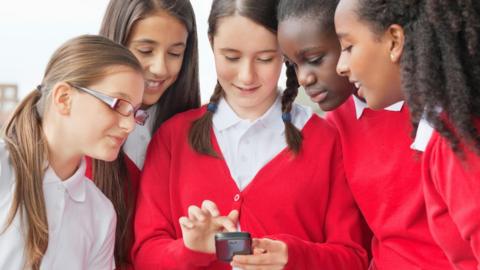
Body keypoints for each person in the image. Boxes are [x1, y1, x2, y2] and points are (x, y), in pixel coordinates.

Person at [132, 0, 369, 269]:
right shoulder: (171, 139)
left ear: (285, 52)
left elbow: (354, 257)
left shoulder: (328, 141)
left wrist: (292, 257)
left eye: (265, 58)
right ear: (211, 44)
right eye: (231, 57)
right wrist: (191, 249)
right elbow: (145, 255)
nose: (247, 76)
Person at [276, 0, 452, 269]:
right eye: (292, 65)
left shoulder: (444, 113)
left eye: (315, 60)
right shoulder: (334, 126)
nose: (303, 79)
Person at [334, 0, 480, 268]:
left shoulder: (457, 141)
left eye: (348, 47)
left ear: (394, 41)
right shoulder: (447, 127)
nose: (340, 66)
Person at [0, 35, 145, 270]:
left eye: (135, 112)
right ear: (64, 99)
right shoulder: (4, 167)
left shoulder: (101, 214)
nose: (129, 126)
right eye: (118, 104)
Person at [92, 1, 200, 267]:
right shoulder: (82, 135)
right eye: (145, 50)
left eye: (175, 53)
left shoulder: (192, 133)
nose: (160, 68)